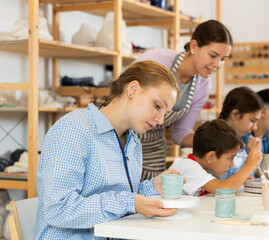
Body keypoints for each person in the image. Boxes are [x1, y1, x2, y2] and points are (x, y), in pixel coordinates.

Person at [35, 61, 182, 239]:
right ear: (133, 89)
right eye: (158, 106)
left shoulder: (133, 142)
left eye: (165, 113)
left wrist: (152, 187)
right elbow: (58, 209)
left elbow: (123, 200)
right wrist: (129, 202)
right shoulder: (74, 129)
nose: (160, 120)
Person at [134, 19, 233, 181]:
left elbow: (180, 133)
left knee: (153, 193)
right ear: (194, 46)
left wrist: (215, 142)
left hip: (153, 146)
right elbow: (122, 97)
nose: (217, 64)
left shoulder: (202, 86)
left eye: (223, 59)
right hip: (122, 135)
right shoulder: (157, 60)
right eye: (213, 55)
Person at [169, 119, 262, 195]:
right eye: (230, 158)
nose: (232, 164)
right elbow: (225, 190)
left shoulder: (199, 167)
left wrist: (240, 179)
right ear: (211, 157)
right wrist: (249, 166)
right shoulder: (187, 166)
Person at [217, 86, 264, 180]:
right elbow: (224, 182)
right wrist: (251, 161)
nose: (255, 127)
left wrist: (252, 156)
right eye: (252, 120)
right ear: (235, 114)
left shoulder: (237, 140)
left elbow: (245, 177)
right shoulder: (216, 139)